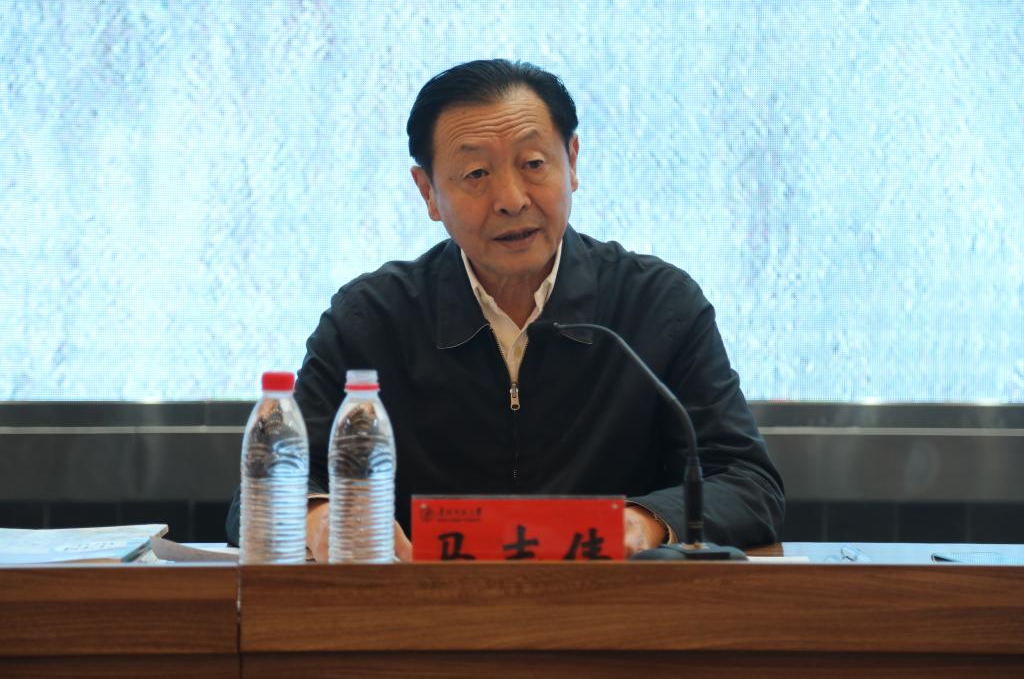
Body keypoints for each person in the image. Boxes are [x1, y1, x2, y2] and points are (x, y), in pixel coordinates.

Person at [226, 59, 784, 560]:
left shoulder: (658, 304)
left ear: (572, 162)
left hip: (613, 618)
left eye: (534, 163)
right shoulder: (371, 319)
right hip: (421, 620)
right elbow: (264, 490)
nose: (512, 199)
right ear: (428, 192)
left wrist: (640, 524)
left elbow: (746, 480)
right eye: (476, 174)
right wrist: (322, 520)